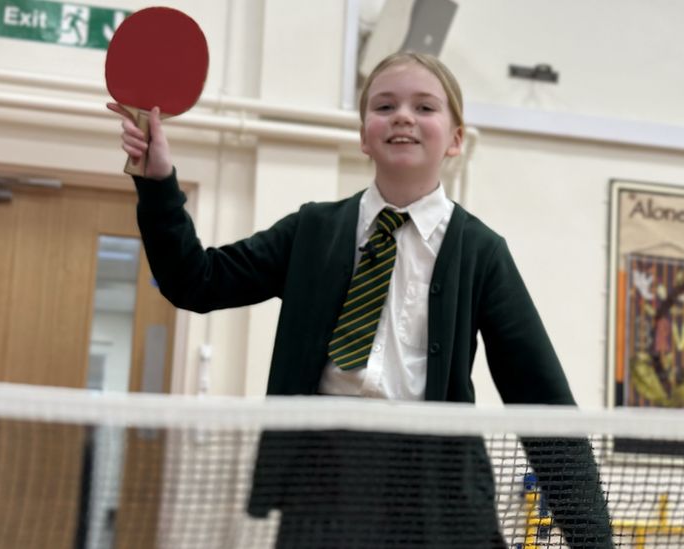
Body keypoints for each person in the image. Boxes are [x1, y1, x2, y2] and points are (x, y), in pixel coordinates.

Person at [108, 52, 612, 548]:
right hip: (324, 476)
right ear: (363, 134)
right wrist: (158, 187)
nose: (403, 118)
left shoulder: (482, 252)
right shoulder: (313, 230)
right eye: (385, 106)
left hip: (438, 490)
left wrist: (593, 541)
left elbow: (544, 403)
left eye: (425, 107)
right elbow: (195, 281)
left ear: (456, 140)